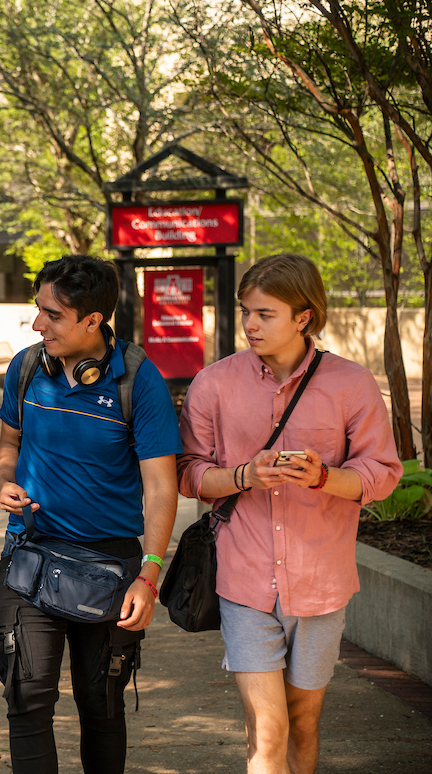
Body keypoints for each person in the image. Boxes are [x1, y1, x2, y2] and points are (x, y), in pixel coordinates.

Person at [177, 253, 401, 774]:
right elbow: (188, 472)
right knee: (269, 727)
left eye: (265, 314)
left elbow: (383, 474)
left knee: (301, 720)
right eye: (245, 312)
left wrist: (323, 476)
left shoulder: (350, 384)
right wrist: (244, 476)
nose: (250, 325)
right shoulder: (214, 384)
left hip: (321, 582)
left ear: (304, 316)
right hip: (244, 581)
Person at [0, 255, 181, 774]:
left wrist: (150, 573)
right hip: (29, 557)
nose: (38, 324)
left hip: (109, 568)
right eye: (38, 310)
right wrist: (6, 480)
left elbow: (162, 487)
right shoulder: (27, 366)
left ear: (93, 319)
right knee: (26, 697)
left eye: (52, 314)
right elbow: (9, 442)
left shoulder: (139, 381)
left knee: (100, 706)